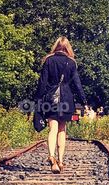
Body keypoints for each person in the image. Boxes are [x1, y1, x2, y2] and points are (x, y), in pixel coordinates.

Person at [34, 36, 89, 173]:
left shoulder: (49, 60)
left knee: (52, 128)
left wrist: (37, 100)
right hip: (66, 100)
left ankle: (51, 157)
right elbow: (77, 84)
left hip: (51, 99)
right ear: (68, 48)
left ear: (56, 46)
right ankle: (61, 161)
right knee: (62, 130)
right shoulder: (71, 63)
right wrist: (84, 101)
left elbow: (42, 82)